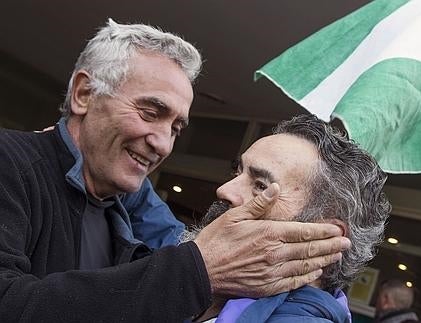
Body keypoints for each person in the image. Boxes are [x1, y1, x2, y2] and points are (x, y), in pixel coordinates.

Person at [0, 20, 350, 322]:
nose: (164, 144)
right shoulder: (12, 164)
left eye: (176, 129)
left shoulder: (122, 202)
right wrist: (200, 270)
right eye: (150, 113)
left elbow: (167, 257)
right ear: (83, 93)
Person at [181, 114, 391, 322]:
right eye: (237, 172)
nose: (224, 190)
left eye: (261, 186)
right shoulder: (212, 288)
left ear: (326, 238)